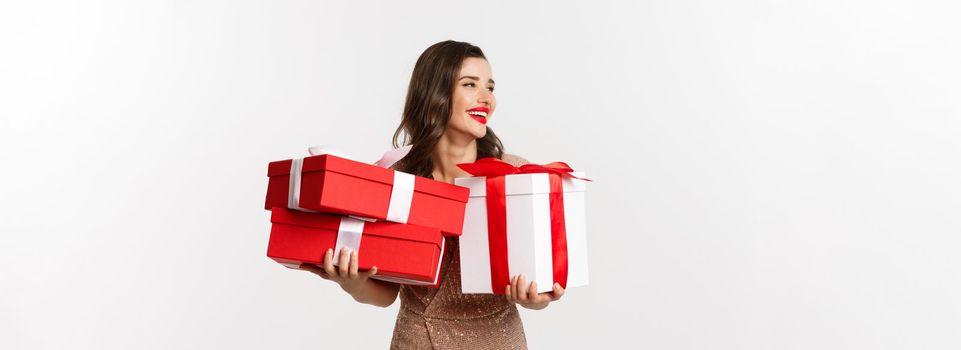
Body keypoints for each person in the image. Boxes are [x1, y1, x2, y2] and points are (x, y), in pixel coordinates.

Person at [299, 40, 565, 349]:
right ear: (434, 93)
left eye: (490, 88)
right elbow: (386, 293)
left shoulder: (517, 176)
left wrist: (536, 299)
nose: (486, 99)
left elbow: (541, 282)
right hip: (416, 341)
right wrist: (352, 283)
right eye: (470, 84)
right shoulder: (394, 180)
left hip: (496, 340)